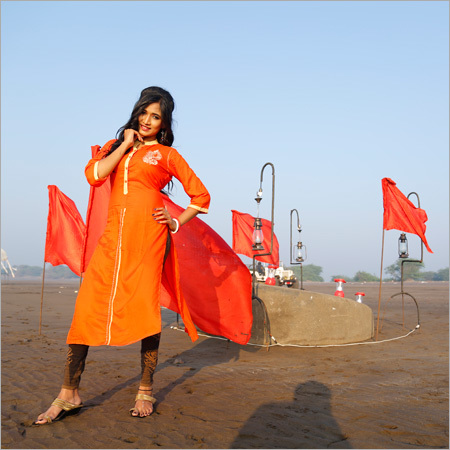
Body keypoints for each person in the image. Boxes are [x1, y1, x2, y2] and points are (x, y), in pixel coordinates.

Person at [34, 86, 210, 424]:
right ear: (136, 113)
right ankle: (69, 393)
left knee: (144, 307)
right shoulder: (115, 147)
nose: (147, 120)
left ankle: (145, 388)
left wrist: (175, 221)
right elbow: (94, 176)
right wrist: (125, 145)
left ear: (164, 124)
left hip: (148, 238)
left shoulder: (168, 156)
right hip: (112, 239)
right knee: (86, 309)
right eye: (144, 112)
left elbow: (201, 196)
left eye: (155, 116)